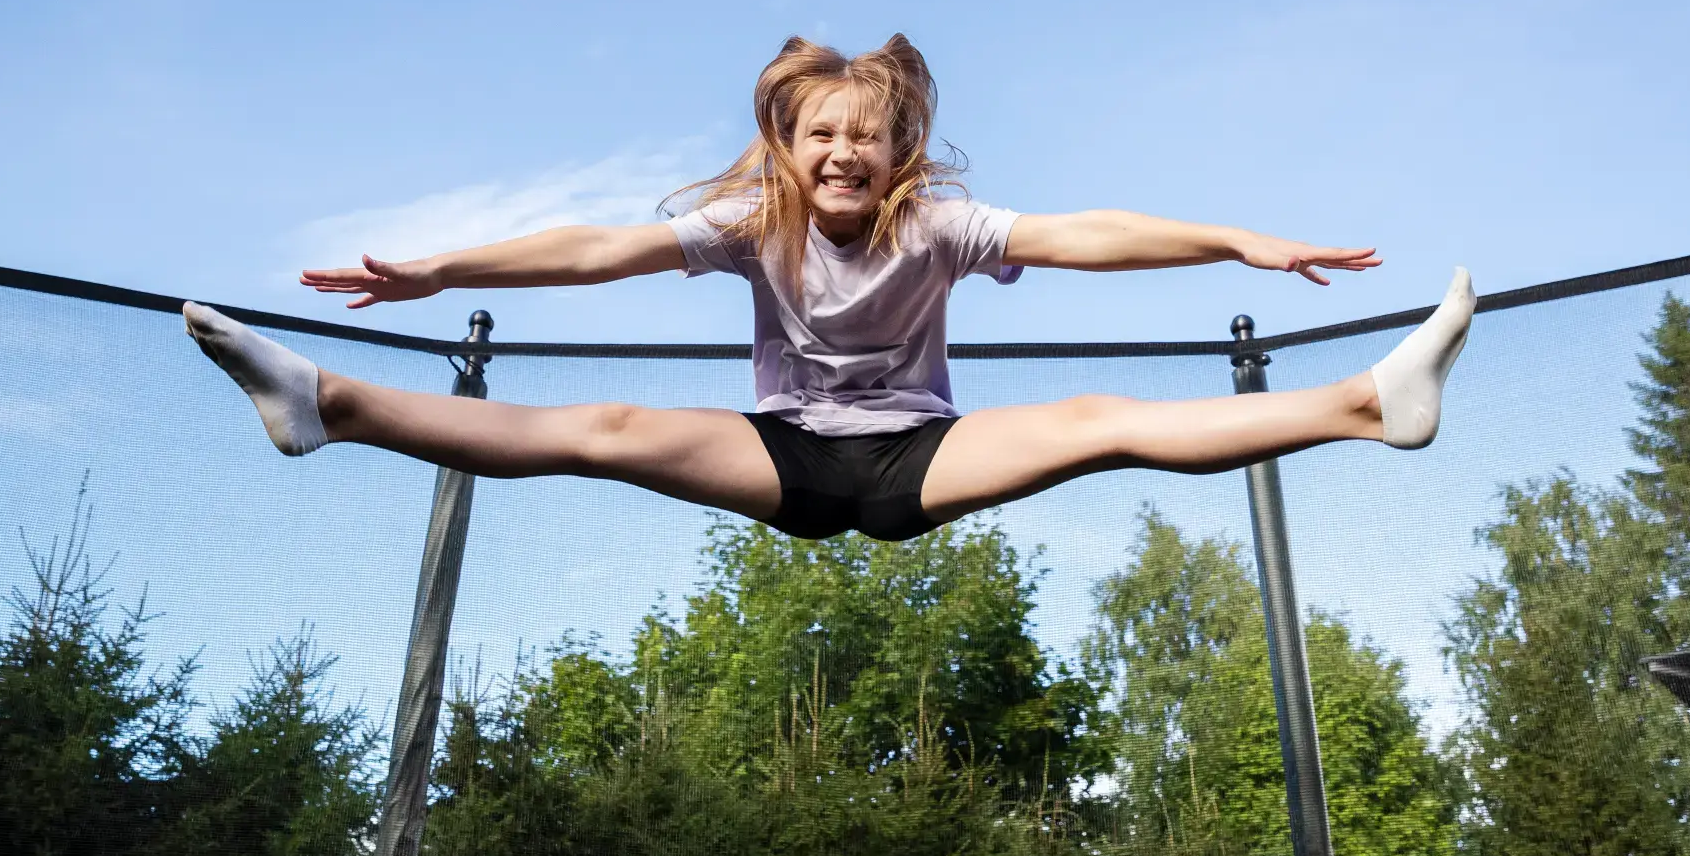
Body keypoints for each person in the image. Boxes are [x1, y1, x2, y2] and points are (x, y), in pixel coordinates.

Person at [184, 34, 1472, 542]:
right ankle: (329, 404)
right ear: (786, 151)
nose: (845, 151)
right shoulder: (752, 224)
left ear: (899, 148)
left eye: (868, 133)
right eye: (821, 136)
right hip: (787, 454)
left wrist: (1239, 242)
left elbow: (1092, 234)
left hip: (920, 455)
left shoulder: (946, 226)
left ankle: (1366, 403)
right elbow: (594, 251)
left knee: (1100, 424)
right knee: (603, 432)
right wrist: (436, 271)